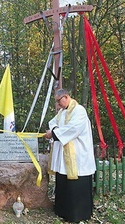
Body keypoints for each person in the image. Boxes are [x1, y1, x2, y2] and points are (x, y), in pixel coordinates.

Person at [43, 89, 96, 223]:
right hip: (64, 157)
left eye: (59, 101)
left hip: (78, 155)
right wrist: (54, 130)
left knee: (76, 186)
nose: (58, 104)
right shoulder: (62, 112)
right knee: (63, 181)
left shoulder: (79, 111)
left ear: (66, 97)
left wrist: (54, 133)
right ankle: (62, 210)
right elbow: (52, 123)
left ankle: (77, 214)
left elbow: (73, 129)